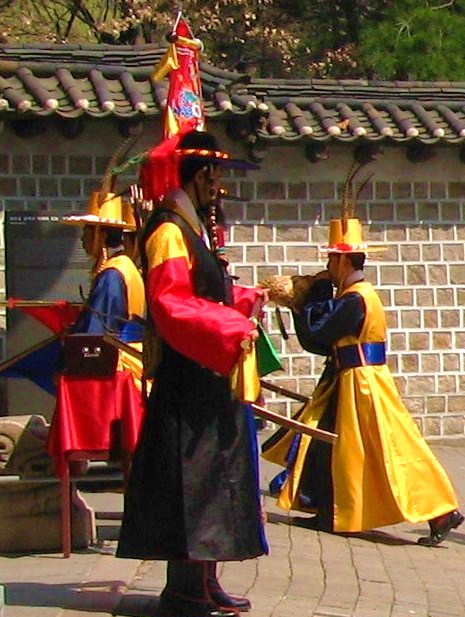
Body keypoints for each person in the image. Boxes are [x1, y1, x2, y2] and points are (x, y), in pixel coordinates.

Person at [117, 130, 266, 616]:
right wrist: (228, 326)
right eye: (217, 174)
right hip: (187, 379)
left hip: (210, 377)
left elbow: (204, 292)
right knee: (190, 483)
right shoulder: (167, 232)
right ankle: (183, 587)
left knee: (214, 480)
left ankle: (208, 575)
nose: (220, 184)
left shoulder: (193, 228)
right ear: (199, 175)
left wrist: (247, 299)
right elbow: (169, 303)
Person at [263, 210, 464, 545]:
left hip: (363, 385)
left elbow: (320, 332)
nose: (327, 268)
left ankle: (441, 510)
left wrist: (302, 305)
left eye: (331, 261)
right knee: (330, 444)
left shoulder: (356, 299)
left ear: (343, 262)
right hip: (349, 379)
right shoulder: (352, 296)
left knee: (390, 447)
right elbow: (321, 338)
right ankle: (328, 507)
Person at [52, 185, 147, 472]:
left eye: (87, 233)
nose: (83, 240)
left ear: (102, 236)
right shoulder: (126, 266)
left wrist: (69, 342)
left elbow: (97, 329)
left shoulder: (112, 275)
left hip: (117, 364)